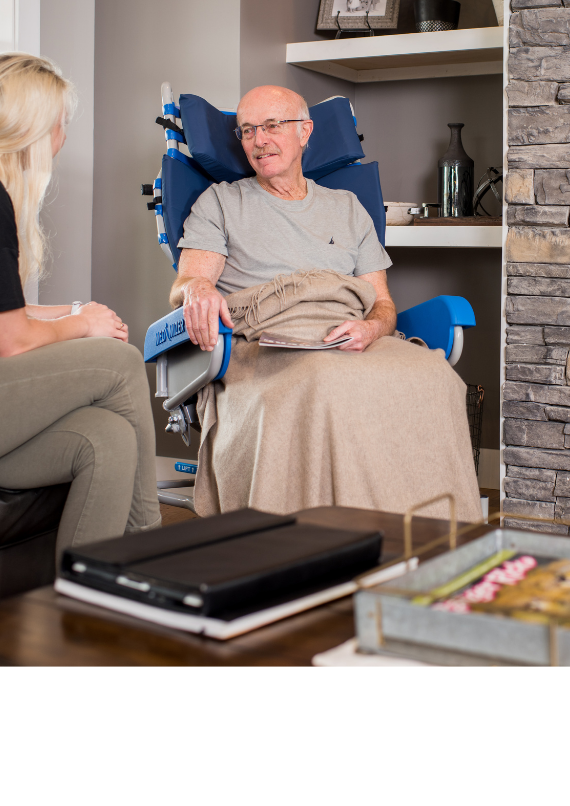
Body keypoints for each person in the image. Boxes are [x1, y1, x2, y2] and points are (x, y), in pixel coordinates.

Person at [171, 85, 481, 522]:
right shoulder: (221, 202)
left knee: (437, 377)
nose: (259, 140)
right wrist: (197, 290)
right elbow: (190, 280)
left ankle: (439, 535)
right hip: (267, 342)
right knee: (324, 380)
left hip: (349, 333)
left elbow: (383, 304)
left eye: (272, 126)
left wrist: (372, 328)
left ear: (305, 132)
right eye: (246, 131)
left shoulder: (348, 208)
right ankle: (333, 535)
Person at [0, 53, 161, 562]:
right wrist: (83, 325)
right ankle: (154, 555)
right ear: (30, 127)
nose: (63, 137)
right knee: (118, 361)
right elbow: (10, 341)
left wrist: (75, 312)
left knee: (105, 439)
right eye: (61, 123)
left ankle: (85, 608)